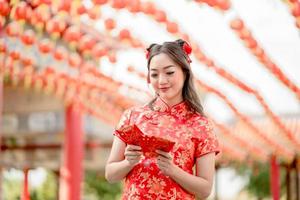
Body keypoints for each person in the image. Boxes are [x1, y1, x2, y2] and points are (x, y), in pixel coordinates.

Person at [105, 39, 220, 200]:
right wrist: (128, 162)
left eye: (169, 72)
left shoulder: (200, 124)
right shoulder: (132, 116)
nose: (161, 81)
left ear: (185, 72)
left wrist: (172, 170)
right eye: (154, 74)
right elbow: (110, 174)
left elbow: (205, 189)